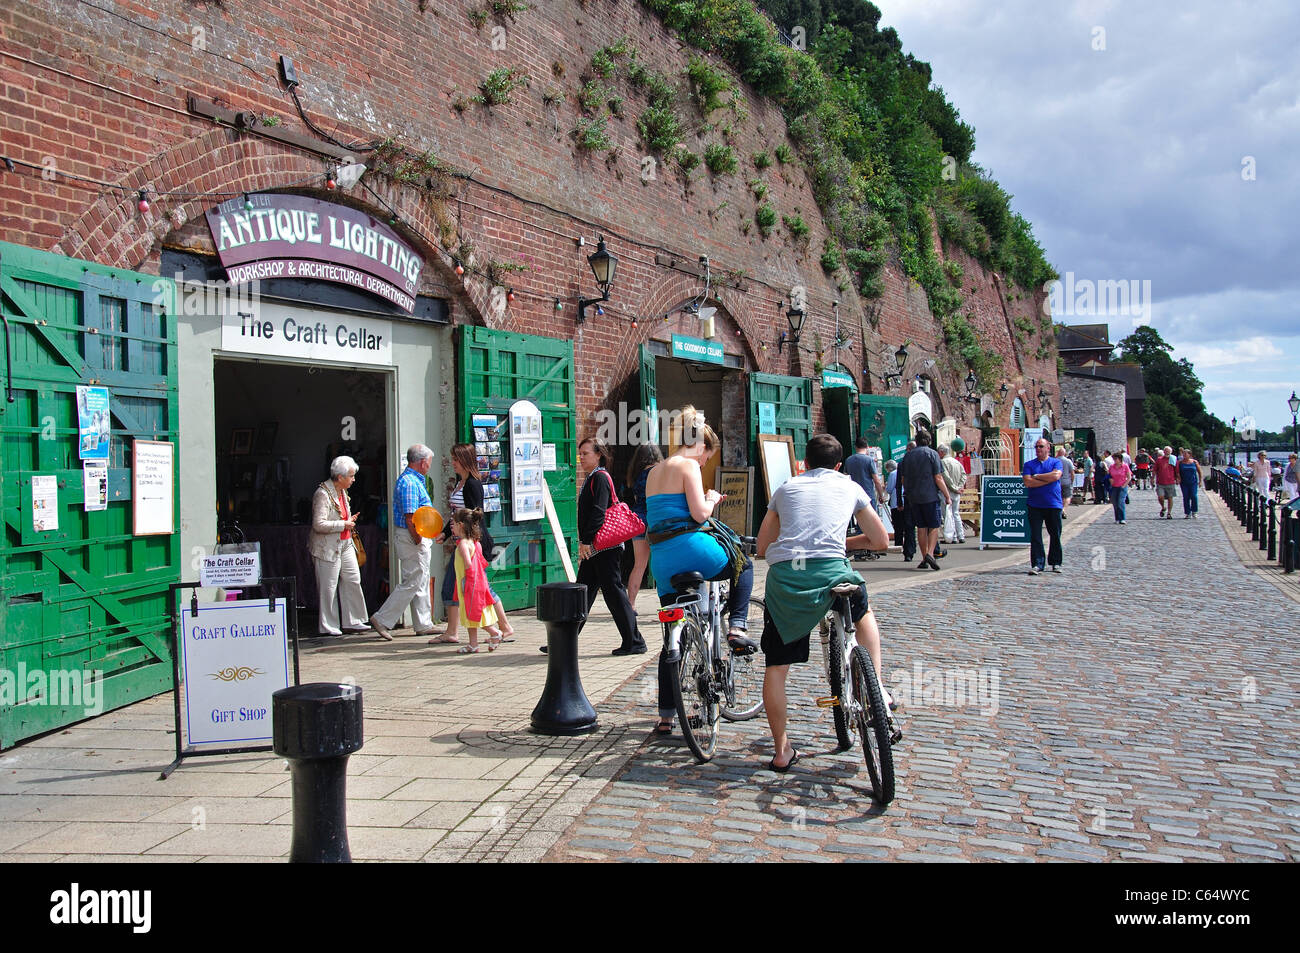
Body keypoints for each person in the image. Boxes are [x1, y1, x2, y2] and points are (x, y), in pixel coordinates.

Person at [756, 433, 890, 771]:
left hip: (789, 579)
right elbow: (881, 541)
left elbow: (761, 546)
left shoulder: (786, 489)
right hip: (834, 572)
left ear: (805, 462)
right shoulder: (850, 487)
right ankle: (878, 688)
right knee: (863, 611)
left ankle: (781, 752)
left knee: (776, 667)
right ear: (839, 465)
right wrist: (844, 543)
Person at [645, 407, 755, 733]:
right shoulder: (688, 466)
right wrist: (711, 498)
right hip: (690, 547)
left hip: (661, 560)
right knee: (743, 565)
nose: (706, 461)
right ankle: (736, 626)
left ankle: (666, 716)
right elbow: (697, 515)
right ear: (701, 446)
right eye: (708, 454)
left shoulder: (654, 470)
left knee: (671, 640)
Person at [433, 443, 513, 645]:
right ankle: (501, 627)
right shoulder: (461, 483)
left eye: (456, 460)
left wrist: (467, 542)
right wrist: (445, 533)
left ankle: (497, 627)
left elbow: (472, 516)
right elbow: (456, 515)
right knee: (473, 586)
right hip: (464, 541)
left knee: (466, 585)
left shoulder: (472, 484)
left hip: (472, 543)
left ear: (465, 460)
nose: (453, 463)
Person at [577, 436, 645, 656]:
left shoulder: (601, 478)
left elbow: (598, 512)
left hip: (604, 547)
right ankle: (564, 641)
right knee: (582, 593)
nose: (581, 458)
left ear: (599, 455)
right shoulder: (591, 478)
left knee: (613, 593)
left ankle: (634, 641)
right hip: (596, 547)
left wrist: (586, 541)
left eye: (586, 453)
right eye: (580, 454)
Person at [370, 445, 437, 640]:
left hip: (413, 535)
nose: (428, 467)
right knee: (414, 580)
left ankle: (423, 623)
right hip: (412, 536)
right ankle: (382, 618)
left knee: (420, 578)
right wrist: (417, 539)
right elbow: (411, 517)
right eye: (429, 463)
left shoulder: (412, 480)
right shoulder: (409, 482)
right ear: (423, 462)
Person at [309, 455, 370, 636]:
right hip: (327, 547)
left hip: (345, 543)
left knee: (353, 579)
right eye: (351, 476)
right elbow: (318, 524)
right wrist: (344, 525)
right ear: (340, 477)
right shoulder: (322, 493)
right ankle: (328, 625)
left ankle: (354, 620)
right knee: (328, 586)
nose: (353, 479)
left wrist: (347, 522)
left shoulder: (342, 492)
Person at [449, 507, 502, 654]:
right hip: (475, 583)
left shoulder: (463, 545)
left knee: (473, 614)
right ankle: (473, 644)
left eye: (452, 524)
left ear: (460, 525)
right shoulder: (475, 542)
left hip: (468, 584)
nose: (451, 527)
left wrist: (467, 584)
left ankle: (494, 633)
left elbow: (468, 565)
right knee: (469, 615)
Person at [897, 430, 950, 571]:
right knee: (933, 526)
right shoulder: (932, 454)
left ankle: (923, 558)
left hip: (913, 497)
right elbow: (938, 478)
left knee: (920, 527)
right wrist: (947, 495)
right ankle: (930, 554)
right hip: (930, 496)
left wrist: (908, 492)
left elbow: (903, 479)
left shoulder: (907, 456)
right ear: (929, 440)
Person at [624, 441, 663, 606]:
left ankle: (630, 604)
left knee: (639, 565)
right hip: (655, 517)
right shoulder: (659, 472)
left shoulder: (636, 475)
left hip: (638, 518)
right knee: (663, 561)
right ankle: (667, 603)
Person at [1022, 436, 1064, 573]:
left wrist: (1037, 476)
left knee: (1055, 534)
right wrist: (1048, 478)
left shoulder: (1056, 462)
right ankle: (1038, 563)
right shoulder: (1029, 464)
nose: (1038, 449)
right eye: (1036, 447)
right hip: (1035, 504)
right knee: (1036, 535)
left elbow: (1056, 476)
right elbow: (1028, 482)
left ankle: (1056, 562)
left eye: (1041, 446)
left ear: (1048, 448)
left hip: (1053, 504)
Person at [843, 436, 886, 508]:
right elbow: (876, 480)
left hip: (854, 496)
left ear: (855, 446)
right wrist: (881, 495)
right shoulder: (869, 460)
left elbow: (845, 478)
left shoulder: (848, 460)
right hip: (868, 495)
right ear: (867, 446)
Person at [938, 444, 966, 543]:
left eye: (939, 452)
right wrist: (959, 486)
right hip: (956, 492)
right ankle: (961, 535)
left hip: (947, 491)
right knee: (956, 513)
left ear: (942, 452)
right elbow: (963, 474)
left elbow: (945, 477)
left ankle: (952, 537)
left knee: (947, 515)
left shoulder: (942, 462)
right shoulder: (956, 462)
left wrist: (954, 488)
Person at [1153, 448, 1179, 519]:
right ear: (1164, 452)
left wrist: (1177, 479)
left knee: (1170, 497)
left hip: (1170, 481)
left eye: (1168, 451)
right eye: (1166, 451)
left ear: (1171, 452)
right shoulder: (1159, 459)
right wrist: (1152, 478)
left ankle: (1169, 513)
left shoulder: (1173, 459)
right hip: (1160, 482)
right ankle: (1163, 507)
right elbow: (1155, 469)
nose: (1167, 452)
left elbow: (1176, 470)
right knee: (1160, 497)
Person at [1108, 450, 1132, 523]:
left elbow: (1129, 477)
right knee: (1115, 503)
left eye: (1116, 459)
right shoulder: (1112, 467)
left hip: (1122, 487)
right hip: (1114, 487)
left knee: (1120, 502)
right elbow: (1109, 475)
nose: (1115, 461)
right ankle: (1117, 518)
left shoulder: (1125, 466)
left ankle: (1122, 518)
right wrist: (1110, 480)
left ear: (1120, 459)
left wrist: (1124, 485)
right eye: (1114, 459)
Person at [1178, 449, 1203, 518]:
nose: (1184, 455)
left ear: (1190, 455)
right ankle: (1187, 512)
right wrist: (1178, 478)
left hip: (1193, 482)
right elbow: (1177, 472)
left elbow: (1199, 472)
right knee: (1186, 497)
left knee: (1194, 496)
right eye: (1184, 454)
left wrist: (1200, 481)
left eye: (1186, 454)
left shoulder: (1194, 462)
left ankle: (1194, 511)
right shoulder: (1180, 463)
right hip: (1184, 482)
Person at [1055, 448, 1076, 519]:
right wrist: (1072, 481)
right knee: (1067, 497)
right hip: (1066, 481)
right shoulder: (1068, 461)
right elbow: (1072, 473)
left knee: (1058, 497)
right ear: (1064, 453)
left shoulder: (1055, 460)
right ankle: (1063, 509)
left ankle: (1059, 510)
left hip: (1056, 481)